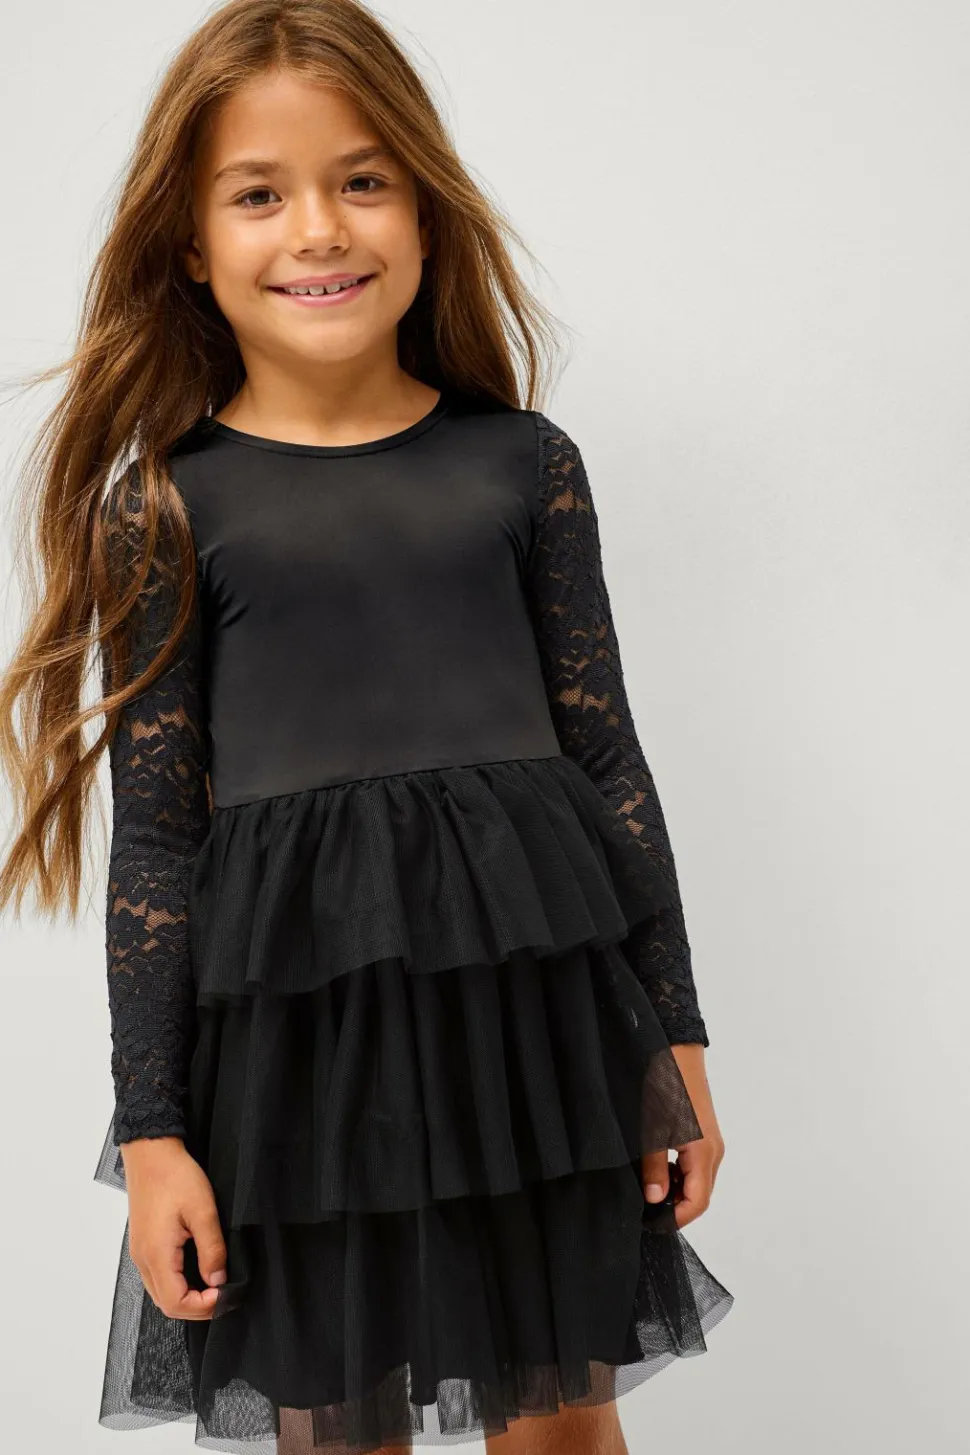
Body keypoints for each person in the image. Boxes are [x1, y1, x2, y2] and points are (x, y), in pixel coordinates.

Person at [0, 2, 733, 1451]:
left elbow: (609, 766)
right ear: (189, 245)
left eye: (362, 179)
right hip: (301, 1074)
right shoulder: (166, 507)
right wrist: (153, 1131)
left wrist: (679, 1039)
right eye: (258, 194)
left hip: (538, 1049)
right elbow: (156, 845)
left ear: (425, 209)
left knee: (565, 1425)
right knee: (336, 1431)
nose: (320, 230)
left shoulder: (524, 466)